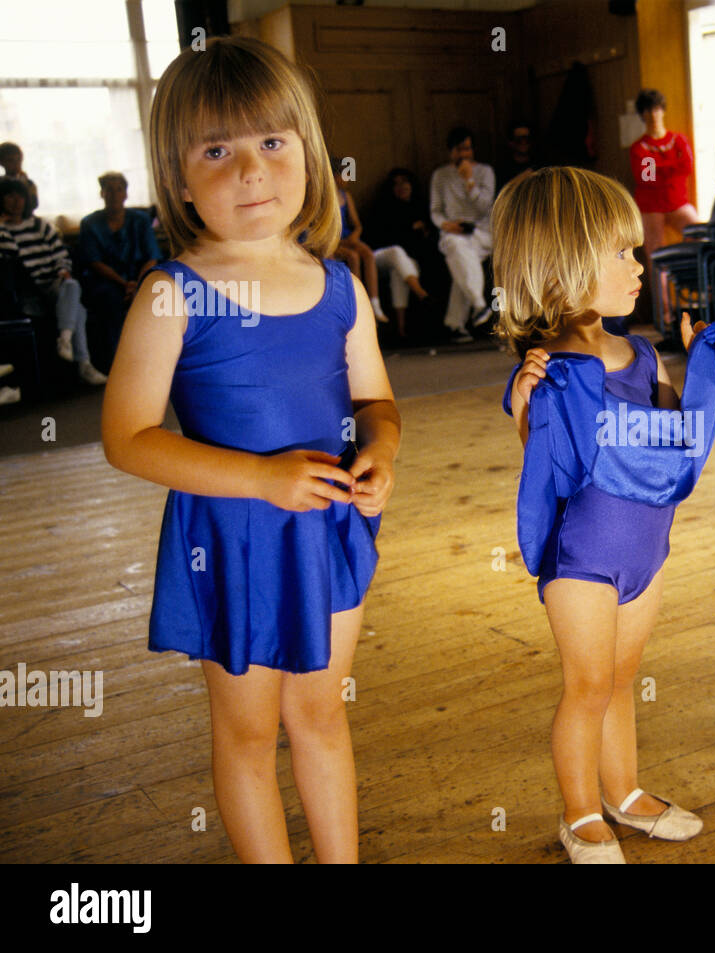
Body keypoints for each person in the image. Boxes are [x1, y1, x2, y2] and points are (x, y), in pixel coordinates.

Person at [100, 36, 400, 864]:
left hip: (327, 530)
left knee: (322, 715)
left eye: (272, 141)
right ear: (179, 178)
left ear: (307, 149)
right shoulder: (172, 293)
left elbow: (376, 401)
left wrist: (381, 454)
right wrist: (260, 477)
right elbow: (126, 436)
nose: (251, 170)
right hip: (227, 542)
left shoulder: (340, 283)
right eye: (216, 150)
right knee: (246, 730)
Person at [494, 167, 715, 863]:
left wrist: (699, 368)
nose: (639, 264)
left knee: (624, 679)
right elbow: (544, 455)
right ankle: (578, 813)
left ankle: (623, 792)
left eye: (635, 250)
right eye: (620, 254)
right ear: (562, 265)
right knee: (588, 683)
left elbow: (674, 445)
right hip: (583, 557)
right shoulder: (549, 368)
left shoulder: (646, 354)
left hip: (647, 550)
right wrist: (524, 404)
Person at [0, 177, 107, 384]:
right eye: (9, 196)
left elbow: (61, 255)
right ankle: (84, 363)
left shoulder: (41, 225)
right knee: (79, 309)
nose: (16, 201)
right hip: (30, 291)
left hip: (55, 284)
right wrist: (3, 227)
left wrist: (63, 271)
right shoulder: (3, 230)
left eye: (19, 196)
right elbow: (12, 260)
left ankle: (66, 340)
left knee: (71, 284)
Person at [629, 89, 699, 329]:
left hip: (678, 203)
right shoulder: (639, 147)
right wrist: (670, 166)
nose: (653, 114)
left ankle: (700, 297)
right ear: (642, 115)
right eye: (647, 110)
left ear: (663, 111)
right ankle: (666, 317)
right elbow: (646, 178)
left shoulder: (678, 139)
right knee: (655, 259)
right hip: (651, 207)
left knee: (700, 233)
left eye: (657, 108)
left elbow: (686, 166)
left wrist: (659, 165)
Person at [79, 171, 162, 366]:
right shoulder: (89, 223)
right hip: (107, 280)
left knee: (154, 296)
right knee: (109, 300)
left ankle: (155, 359)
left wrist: (137, 284)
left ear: (126, 194)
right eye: (109, 190)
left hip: (141, 277)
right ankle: (118, 362)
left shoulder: (140, 220)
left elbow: (152, 257)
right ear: (102, 193)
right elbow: (94, 262)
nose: (115, 194)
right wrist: (124, 284)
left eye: (119, 189)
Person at [429, 127, 494, 343]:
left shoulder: (485, 172)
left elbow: (485, 207)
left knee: (461, 261)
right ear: (451, 152)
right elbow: (436, 210)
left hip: (481, 232)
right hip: (453, 233)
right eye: (458, 150)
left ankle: (455, 324)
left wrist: (469, 182)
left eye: (467, 149)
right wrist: (446, 224)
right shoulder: (440, 175)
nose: (463, 154)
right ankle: (479, 306)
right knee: (459, 252)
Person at [365, 168, 432, 340]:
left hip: (407, 262)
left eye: (404, 182)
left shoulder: (420, 206)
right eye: (396, 184)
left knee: (399, 273)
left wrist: (415, 231)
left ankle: (401, 330)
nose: (401, 186)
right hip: (379, 259)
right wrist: (411, 229)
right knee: (396, 252)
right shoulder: (385, 208)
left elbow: (423, 242)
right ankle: (421, 293)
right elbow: (388, 238)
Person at [331, 159, 389, 323]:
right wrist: (339, 242)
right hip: (333, 240)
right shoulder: (325, 198)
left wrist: (355, 236)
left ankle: (374, 302)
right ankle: (356, 301)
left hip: (347, 237)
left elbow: (357, 224)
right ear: (335, 176)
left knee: (367, 253)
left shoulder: (346, 196)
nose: (348, 179)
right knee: (353, 257)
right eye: (345, 175)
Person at [495, 121, 535, 194]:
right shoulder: (502, 169)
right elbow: (501, 195)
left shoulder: (539, 165)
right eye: (519, 139)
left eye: (527, 139)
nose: (523, 142)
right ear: (511, 142)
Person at [0, 141, 39, 212]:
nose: (16, 164)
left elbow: (34, 204)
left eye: (18, 160)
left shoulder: (29, 184)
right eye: (10, 160)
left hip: (24, 221)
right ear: (2, 162)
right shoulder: (1, 183)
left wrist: (24, 185)